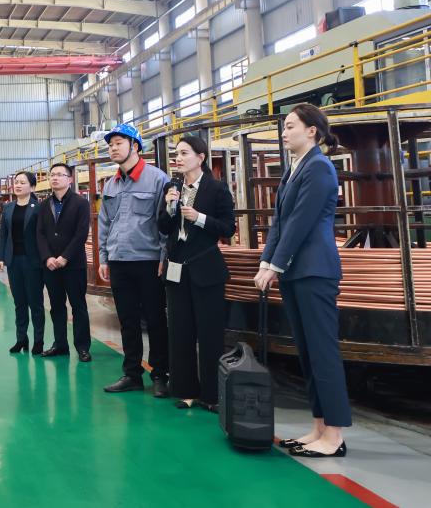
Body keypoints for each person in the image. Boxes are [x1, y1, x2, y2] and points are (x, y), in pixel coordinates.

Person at [254, 104, 350, 458]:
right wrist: (266, 262)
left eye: (291, 126)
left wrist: (275, 267)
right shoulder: (295, 169)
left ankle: (334, 435)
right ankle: (319, 427)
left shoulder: (320, 167)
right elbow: (280, 222)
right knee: (308, 352)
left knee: (323, 352)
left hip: (315, 271)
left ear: (312, 131)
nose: (284, 132)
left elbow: (301, 223)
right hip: (296, 272)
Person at [158, 136, 235, 412]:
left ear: (201, 157)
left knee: (210, 333)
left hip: (206, 269)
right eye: (176, 154)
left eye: (184, 153)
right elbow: (163, 227)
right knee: (180, 331)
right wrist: (169, 208)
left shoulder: (217, 189)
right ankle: (185, 390)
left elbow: (228, 228)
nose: (178, 159)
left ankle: (212, 395)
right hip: (177, 269)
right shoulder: (172, 187)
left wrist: (199, 218)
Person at [97, 123, 171, 398]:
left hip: (148, 260)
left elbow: (165, 222)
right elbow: (105, 222)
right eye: (110, 145)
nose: (113, 148)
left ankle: (160, 374)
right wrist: (104, 256)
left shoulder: (157, 180)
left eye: (118, 143)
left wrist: (163, 256)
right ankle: (132, 374)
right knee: (127, 320)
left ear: (135, 146)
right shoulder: (111, 183)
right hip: (119, 260)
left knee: (155, 319)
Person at [36, 163, 93, 363]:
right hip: (51, 266)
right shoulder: (44, 205)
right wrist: (47, 257)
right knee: (56, 306)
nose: (55, 178)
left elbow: (81, 233)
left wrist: (65, 257)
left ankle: (83, 347)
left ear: (70, 179)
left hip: (74, 265)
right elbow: (40, 234)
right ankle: (60, 344)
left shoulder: (80, 203)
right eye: (52, 175)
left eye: (60, 174)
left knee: (78, 306)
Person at [0, 172, 46, 354]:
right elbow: (4, 235)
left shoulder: (38, 208)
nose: (17, 185)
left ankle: (39, 341)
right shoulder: (8, 208)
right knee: (19, 303)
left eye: (22, 182)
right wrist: (1, 257)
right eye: (16, 182)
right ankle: (21, 339)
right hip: (13, 261)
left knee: (36, 303)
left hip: (33, 261)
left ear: (32, 187)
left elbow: (43, 235)